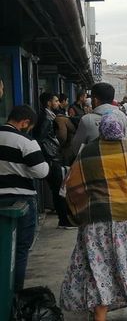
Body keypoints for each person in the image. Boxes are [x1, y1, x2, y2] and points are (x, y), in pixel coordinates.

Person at [60, 114, 127, 321]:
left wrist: (82, 211)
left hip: (97, 223)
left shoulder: (87, 153)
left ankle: (100, 314)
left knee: (99, 267)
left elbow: (70, 187)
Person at [0, 105, 49, 290]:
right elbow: (41, 171)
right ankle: (15, 294)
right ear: (25, 122)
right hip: (21, 201)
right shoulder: (25, 141)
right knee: (19, 249)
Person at [33, 92, 72, 228]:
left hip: (52, 156)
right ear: (49, 103)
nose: (58, 103)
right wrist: (48, 154)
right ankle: (64, 220)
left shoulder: (50, 117)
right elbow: (40, 139)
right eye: (55, 101)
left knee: (59, 188)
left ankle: (64, 219)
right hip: (51, 158)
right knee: (59, 189)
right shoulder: (45, 118)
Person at [72, 83, 127, 155]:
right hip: (121, 162)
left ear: (95, 100)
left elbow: (76, 148)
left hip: (95, 163)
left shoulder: (87, 120)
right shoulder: (126, 119)